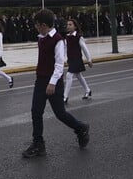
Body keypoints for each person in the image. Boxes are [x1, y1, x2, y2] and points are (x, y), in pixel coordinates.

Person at [22, 9, 90, 158]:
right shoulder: (41, 37)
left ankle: (81, 128)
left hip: (53, 81)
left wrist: (52, 83)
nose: (36, 27)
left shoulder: (58, 40)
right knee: (36, 112)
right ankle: (38, 144)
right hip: (40, 80)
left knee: (60, 113)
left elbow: (60, 65)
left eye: (37, 25)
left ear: (44, 25)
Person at [63, 18, 93, 104]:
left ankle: (65, 97)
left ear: (75, 27)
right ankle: (88, 90)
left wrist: (89, 59)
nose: (68, 26)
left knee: (69, 75)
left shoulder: (79, 37)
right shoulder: (67, 37)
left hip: (77, 59)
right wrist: (64, 59)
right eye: (67, 25)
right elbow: (65, 49)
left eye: (70, 24)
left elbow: (85, 49)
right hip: (70, 59)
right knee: (79, 75)